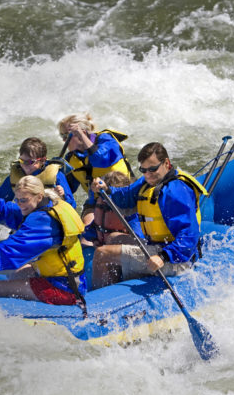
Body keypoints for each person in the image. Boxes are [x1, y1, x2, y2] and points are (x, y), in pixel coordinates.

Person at [0, 176, 87, 308]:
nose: (20, 204)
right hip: (62, 278)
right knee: (15, 274)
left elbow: (10, 252)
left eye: (24, 200)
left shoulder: (44, 223)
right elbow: (12, 212)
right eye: (18, 199)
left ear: (39, 196)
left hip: (64, 289)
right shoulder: (48, 204)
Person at [90, 142, 207, 289]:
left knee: (102, 254)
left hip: (175, 259)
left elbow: (189, 234)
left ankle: (99, 304)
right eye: (143, 170)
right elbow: (125, 197)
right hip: (157, 247)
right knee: (114, 238)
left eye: (152, 169)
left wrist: (164, 256)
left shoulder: (176, 192)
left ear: (166, 163)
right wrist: (106, 189)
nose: (148, 174)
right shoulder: (147, 182)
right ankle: (113, 286)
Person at [0, 137, 76, 230]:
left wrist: (63, 197)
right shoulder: (16, 177)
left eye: (30, 162)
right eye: (22, 161)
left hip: (48, 225)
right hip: (25, 223)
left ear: (43, 160)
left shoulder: (55, 176)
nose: (25, 166)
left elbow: (72, 207)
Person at [57, 113, 134, 225]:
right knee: (87, 227)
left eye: (66, 136)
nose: (64, 140)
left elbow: (100, 159)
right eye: (62, 136)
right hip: (97, 201)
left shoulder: (107, 140)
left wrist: (82, 136)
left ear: (82, 132)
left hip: (125, 197)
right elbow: (68, 188)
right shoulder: (71, 159)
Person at [82, 170, 142, 247]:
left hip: (122, 248)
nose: (105, 201)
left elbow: (140, 239)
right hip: (103, 244)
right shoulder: (102, 203)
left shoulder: (129, 211)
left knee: (109, 241)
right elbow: (94, 227)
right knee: (84, 241)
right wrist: (94, 239)